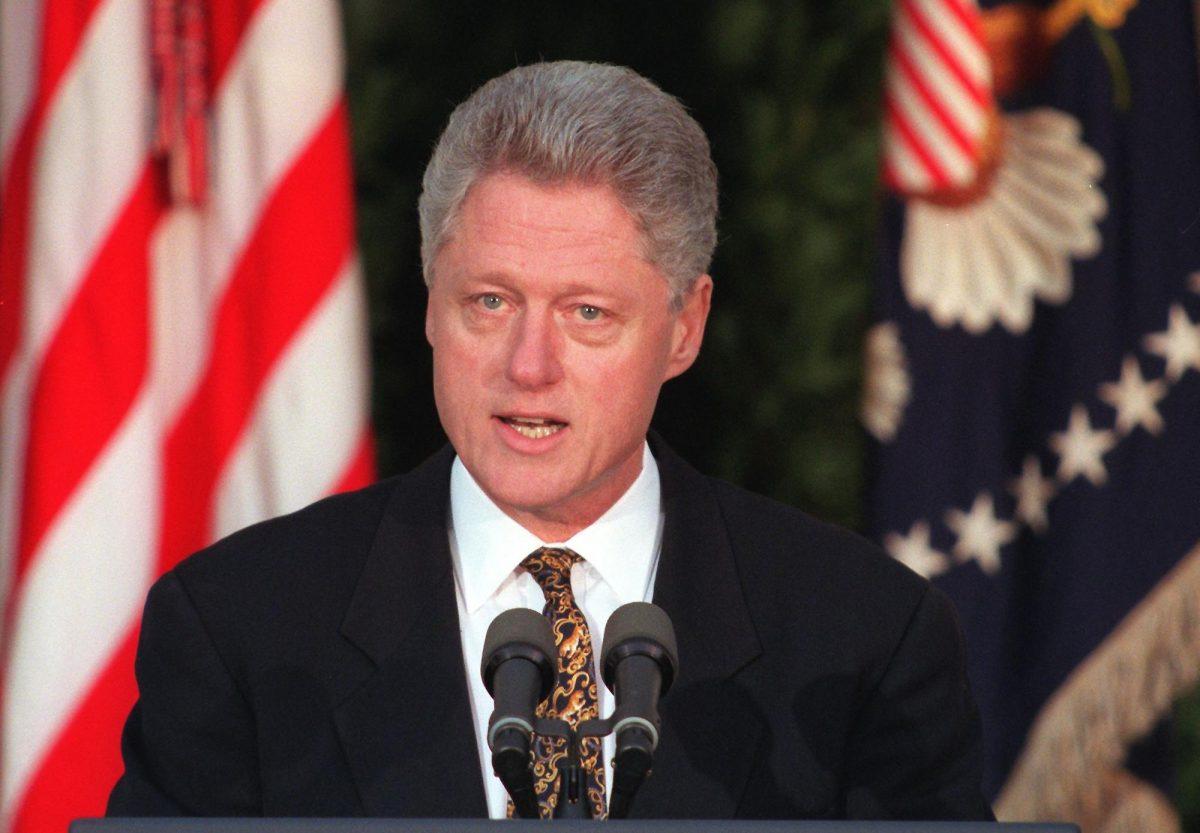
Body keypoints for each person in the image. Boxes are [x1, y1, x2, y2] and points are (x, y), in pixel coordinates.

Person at [107, 61, 993, 821]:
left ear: (684, 327)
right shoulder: (238, 629)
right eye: (488, 301)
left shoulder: (864, 639)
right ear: (428, 303)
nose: (528, 366)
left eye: (588, 313)